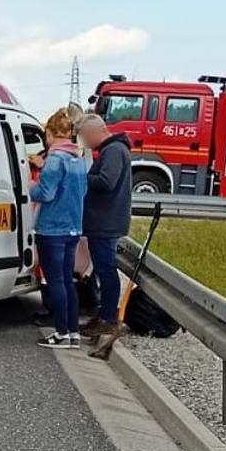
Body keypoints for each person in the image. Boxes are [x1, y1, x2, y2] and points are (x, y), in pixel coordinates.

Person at [28, 107, 88, 348]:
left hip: (52, 228)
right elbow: (82, 191)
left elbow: (46, 192)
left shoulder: (55, 158)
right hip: (73, 227)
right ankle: (73, 332)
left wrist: (29, 186)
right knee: (66, 281)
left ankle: (61, 333)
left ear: (50, 133)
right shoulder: (76, 158)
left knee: (55, 282)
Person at [78, 114, 134, 338]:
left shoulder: (113, 151)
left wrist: (79, 178)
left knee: (106, 271)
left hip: (105, 221)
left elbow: (106, 182)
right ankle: (105, 315)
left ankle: (108, 319)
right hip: (107, 219)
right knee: (105, 270)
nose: (84, 142)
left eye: (84, 137)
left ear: (95, 132)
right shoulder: (116, 149)